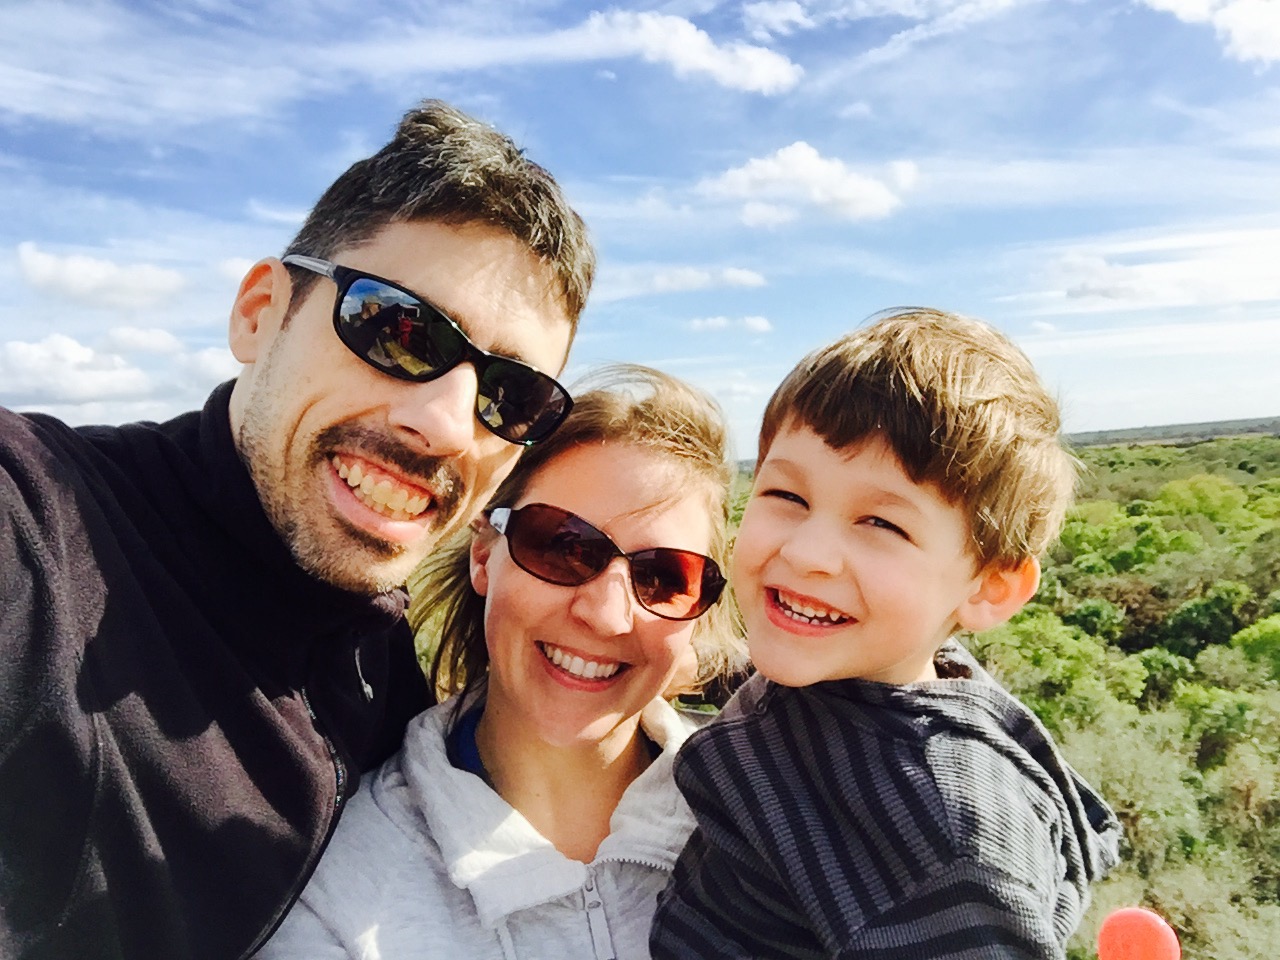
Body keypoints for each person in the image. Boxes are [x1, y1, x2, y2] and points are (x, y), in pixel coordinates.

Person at [0, 99, 594, 960]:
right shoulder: (40, 528)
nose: (446, 426)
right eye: (399, 331)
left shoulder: (382, 666)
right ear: (260, 314)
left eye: (512, 397)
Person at [650, 309, 1122, 960]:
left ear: (989, 587)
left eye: (881, 524)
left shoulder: (942, 840)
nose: (808, 552)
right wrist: (695, 665)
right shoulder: (888, 666)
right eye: (787, 495)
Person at [257, 365, 745, 960]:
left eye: (665, 576)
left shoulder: (771, 825)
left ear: (700, 612)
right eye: (563, 546)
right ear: (485, 555)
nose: (606, 615)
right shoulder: (338, 896)